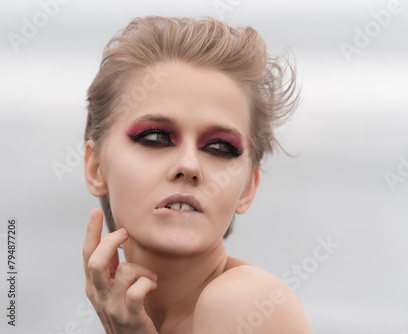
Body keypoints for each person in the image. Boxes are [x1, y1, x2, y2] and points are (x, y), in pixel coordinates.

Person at [82, 15, 311, 333]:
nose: (189, 166)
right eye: (156, 138)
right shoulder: (137, 319)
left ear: (248, 188)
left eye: (219, 147)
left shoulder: (244, 302)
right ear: (95, 167)